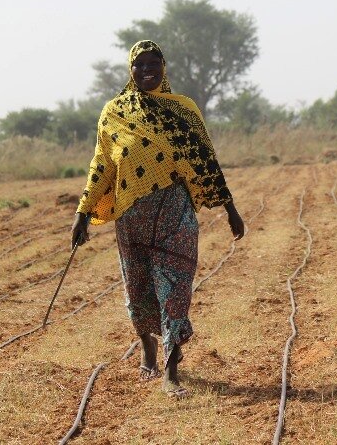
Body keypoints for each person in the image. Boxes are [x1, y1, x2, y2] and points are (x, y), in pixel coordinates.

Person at [71, 40, 244, 397]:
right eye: (140, 65)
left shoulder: (183, 110)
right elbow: (101, 166)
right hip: (132, 218)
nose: (147, 70)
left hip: (175, 213)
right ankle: (147, 345)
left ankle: (171, 370)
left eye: (154, 64)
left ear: (164, 67)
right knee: (139, 291)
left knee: (176, 289)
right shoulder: (114, 112)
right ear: (130, 70)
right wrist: (82, 214)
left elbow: (206, 160)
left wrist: (230, 208)